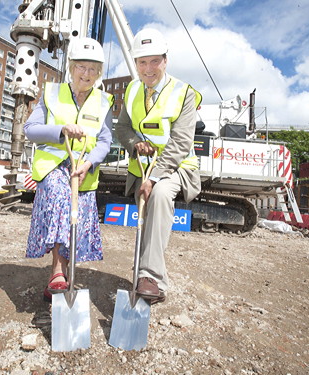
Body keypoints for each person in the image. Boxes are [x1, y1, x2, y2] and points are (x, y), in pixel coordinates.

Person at [115, 28, 202, 304]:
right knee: (149, 203)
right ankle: (144, 274)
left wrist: (153, 177)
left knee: (162, 193)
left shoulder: (184, 93)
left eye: (155, 61)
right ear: (136, 64)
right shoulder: (132, 89)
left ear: (166, 61)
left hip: (178, 167)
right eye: (142, 62)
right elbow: (123, 127)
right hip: (142, 167)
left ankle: (151, 276)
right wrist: (134, 144)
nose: (148, 68)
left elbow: (180, 142)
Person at [24, 37, 114, 301]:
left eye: (93, 69)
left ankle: (62, 275)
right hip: (53, 166)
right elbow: (31, 130)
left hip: (82, 169)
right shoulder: (51, 93)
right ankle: (57, 272)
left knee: (76, 220)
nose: (86, 74)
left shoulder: (104, 101)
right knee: (61, 199)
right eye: (81, 67)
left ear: (99, 73)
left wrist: (89, 163)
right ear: (71, 67)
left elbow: (105, 141)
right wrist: (61, 131)